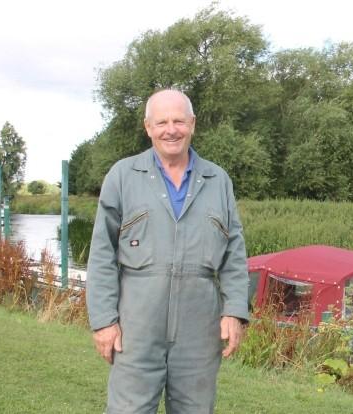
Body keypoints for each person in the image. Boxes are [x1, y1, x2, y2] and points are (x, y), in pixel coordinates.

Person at [86, 89, 249, 413]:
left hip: (199, 328)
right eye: (162, 122)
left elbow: (234, 252)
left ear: (192, 124)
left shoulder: (218, 180)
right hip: (136, 326)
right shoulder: (122, 176)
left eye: (178, 121)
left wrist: (234, 311)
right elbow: (102, 254)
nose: (170, 129)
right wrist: (104, 321)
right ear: (148, 127)